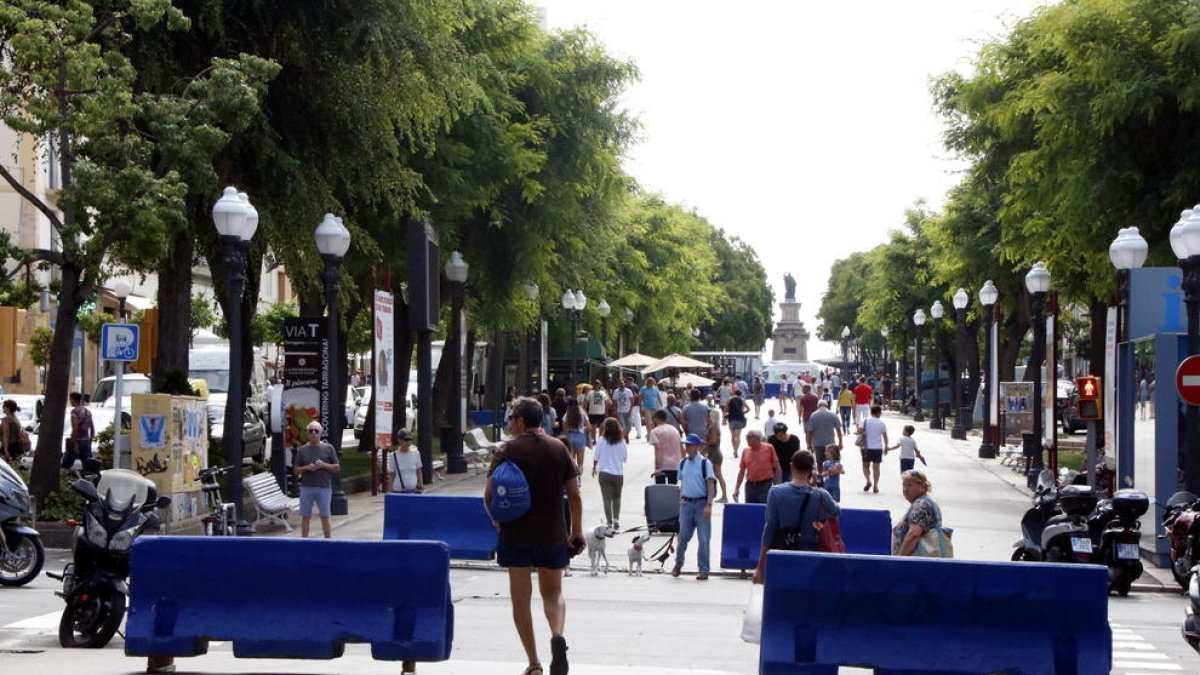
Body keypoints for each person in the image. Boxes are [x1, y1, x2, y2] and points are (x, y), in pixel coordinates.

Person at [485, 397, 584, 675]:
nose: (509, 423)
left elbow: (488, 496)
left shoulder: (507, 450)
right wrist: (576, 532)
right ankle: (557, 635)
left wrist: (497, 521)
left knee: (521, 600)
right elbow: (574, 495)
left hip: (515, 534)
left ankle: (534, 663)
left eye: (511, 418)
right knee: (553, 594)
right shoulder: (558, 449)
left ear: (520, 421)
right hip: (552, 534)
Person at [752, 451, 841, 584]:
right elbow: (836, 511)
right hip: (812, 556)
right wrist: (816, 486)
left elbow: (769, 530)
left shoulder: (776, 492)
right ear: (812, 470)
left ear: (792, 466)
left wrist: (760, 568)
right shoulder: (821, 495)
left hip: (783, 555)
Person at [671, 433, 717, 580]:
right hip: (686, 504)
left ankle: (703, 569)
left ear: (697, 447)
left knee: (703, 538)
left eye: (690, 445)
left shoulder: (705, 463)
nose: (687, 447)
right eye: (686, 445)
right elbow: (683, 482)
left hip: (701, 504)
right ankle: (678, 564)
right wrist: (681, 499)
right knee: (683, 537)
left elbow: (710, 484)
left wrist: (709, 505)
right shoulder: (682, 463)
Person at [295, 421, 341, 538]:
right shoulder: (302, 450)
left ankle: (328, 541)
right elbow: (296, 470)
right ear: (307, 433)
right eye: (311, 431)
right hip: (307, 487)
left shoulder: (328, 448)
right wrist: (307, 468)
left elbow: (336, 467)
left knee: (325, 516)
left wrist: (323, 465)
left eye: (316, 431)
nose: (314, 433)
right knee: (306, 516)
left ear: (321, 433)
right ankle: (304, 541)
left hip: (324, 487)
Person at [893, 470, 946, 556]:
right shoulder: (926, 502)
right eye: (904, 485)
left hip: (915, 563)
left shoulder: (921, 505)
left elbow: (914, 534)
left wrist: (899, 559)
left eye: (910, 485)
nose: (905, 489)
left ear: (922, 487)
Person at [592, 417, 628, 530]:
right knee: (617, 497)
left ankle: (608, 521)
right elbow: (625, 458)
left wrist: (594, 467)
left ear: (605, 427)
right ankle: (616, 519)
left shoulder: (601, 440)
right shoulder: (621, 441)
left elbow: (596, 456)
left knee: (606, 498)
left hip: (604, 473)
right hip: (618, 473)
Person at [733, 429, 781, 504]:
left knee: (764, 508)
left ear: (758, 438)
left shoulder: (769, 448)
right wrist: (736, 488)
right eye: (747, 437)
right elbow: (742, 471)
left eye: (750, 437)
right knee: (750, 509)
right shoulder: (746, 451)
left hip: (765, 485)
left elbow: (777, 468)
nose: (747, 439)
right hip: (750, 486)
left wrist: (778, 486)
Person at [648, 409, 683, 484]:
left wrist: (657, 467)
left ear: (657, 418)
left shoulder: (654, 432)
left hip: (662, 465)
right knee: (672, 489)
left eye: (653, 417)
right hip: (675, 464)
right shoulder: (674, 430)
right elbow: (681, 447)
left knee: (661, 491)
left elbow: (658, 449)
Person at [860, 405, 889, 494]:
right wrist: (886, 446)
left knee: (865, 465)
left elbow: (859, 431)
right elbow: (885, 437)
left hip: (866, 447)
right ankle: (876, 486)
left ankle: (868, 480)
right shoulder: (881, 423)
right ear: (878, 413)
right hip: (877, 448)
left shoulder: (864, 420)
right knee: (876, 467)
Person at [808, 400, 843, 470]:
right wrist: (840, 442)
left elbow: (810, 432)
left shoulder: (813, 415)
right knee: (831, 461)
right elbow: (838, 430)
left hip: (818, 443)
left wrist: (809, 444)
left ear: (818, 406)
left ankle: (820, 476)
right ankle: (829, 477)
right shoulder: (833, 415)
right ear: (827, 406)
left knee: (819, 462)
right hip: (830, 443)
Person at [64, 392, 95, 469]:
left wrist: (75, 443)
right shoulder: (88, 412)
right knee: (87, 466)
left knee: (66, 464)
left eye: (70, 399)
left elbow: (75, 428)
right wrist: (90, 439)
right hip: (86, 441)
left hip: (77, 441)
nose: (70, 401)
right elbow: (92, 427)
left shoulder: (74, 412)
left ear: (73, 399)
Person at [388, 428, 423, 494]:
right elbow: (391, 475)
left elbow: (419, 472)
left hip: (413, 490)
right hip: (398, 490)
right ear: (399, 440)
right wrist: (390, 491)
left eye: (410, 440)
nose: (408, 442)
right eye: (406, 440)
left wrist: (421, 485)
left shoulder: (416, 454)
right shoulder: (393, 456)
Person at [562, 398, 590, 472]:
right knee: (580, 463)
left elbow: (564, 428)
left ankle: (574, 477)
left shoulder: (566, 415)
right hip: (580, 436)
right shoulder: (582, 414)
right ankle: (579, 479)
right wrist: (582, 429)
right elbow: (589, 427)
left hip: (570, 436)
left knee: (572, 460)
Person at [726, 389, 749, 458]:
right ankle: (736, 451)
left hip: (731, 419)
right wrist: (742, 413)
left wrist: (724, 418)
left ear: (734, 393)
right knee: (738, 436)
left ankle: (734, 450)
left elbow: (726, 409)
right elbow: (748, 409)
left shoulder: (730, 399)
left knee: (733, 436)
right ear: (740, 394)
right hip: (740, 419)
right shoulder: (742, 400)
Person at [797, 384, 820, 450]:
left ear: (806, 389)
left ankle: (808, 445)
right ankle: (813, 445)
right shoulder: (815, 397)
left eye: (803, 389)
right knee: (813, 433)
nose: (802, 390)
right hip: (815, 417)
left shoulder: (803, 398)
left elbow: (801, 409)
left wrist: (799, 418)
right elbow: (818, 407)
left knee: (807, 433)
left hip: (806, 417)